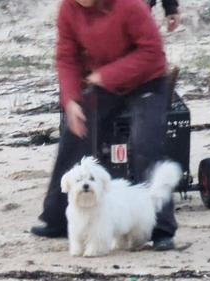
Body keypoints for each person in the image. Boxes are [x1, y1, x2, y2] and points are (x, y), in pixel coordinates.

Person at [30, 0, 178, 251]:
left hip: (147, 80)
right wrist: (71, 100)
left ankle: (160, 227)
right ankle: (56, 217)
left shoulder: (130, 5)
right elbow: (66, 57)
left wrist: (106, 75)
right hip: (104, 83)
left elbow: (151, 51)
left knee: (146, 145)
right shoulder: (69, 8)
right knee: (75, 134)